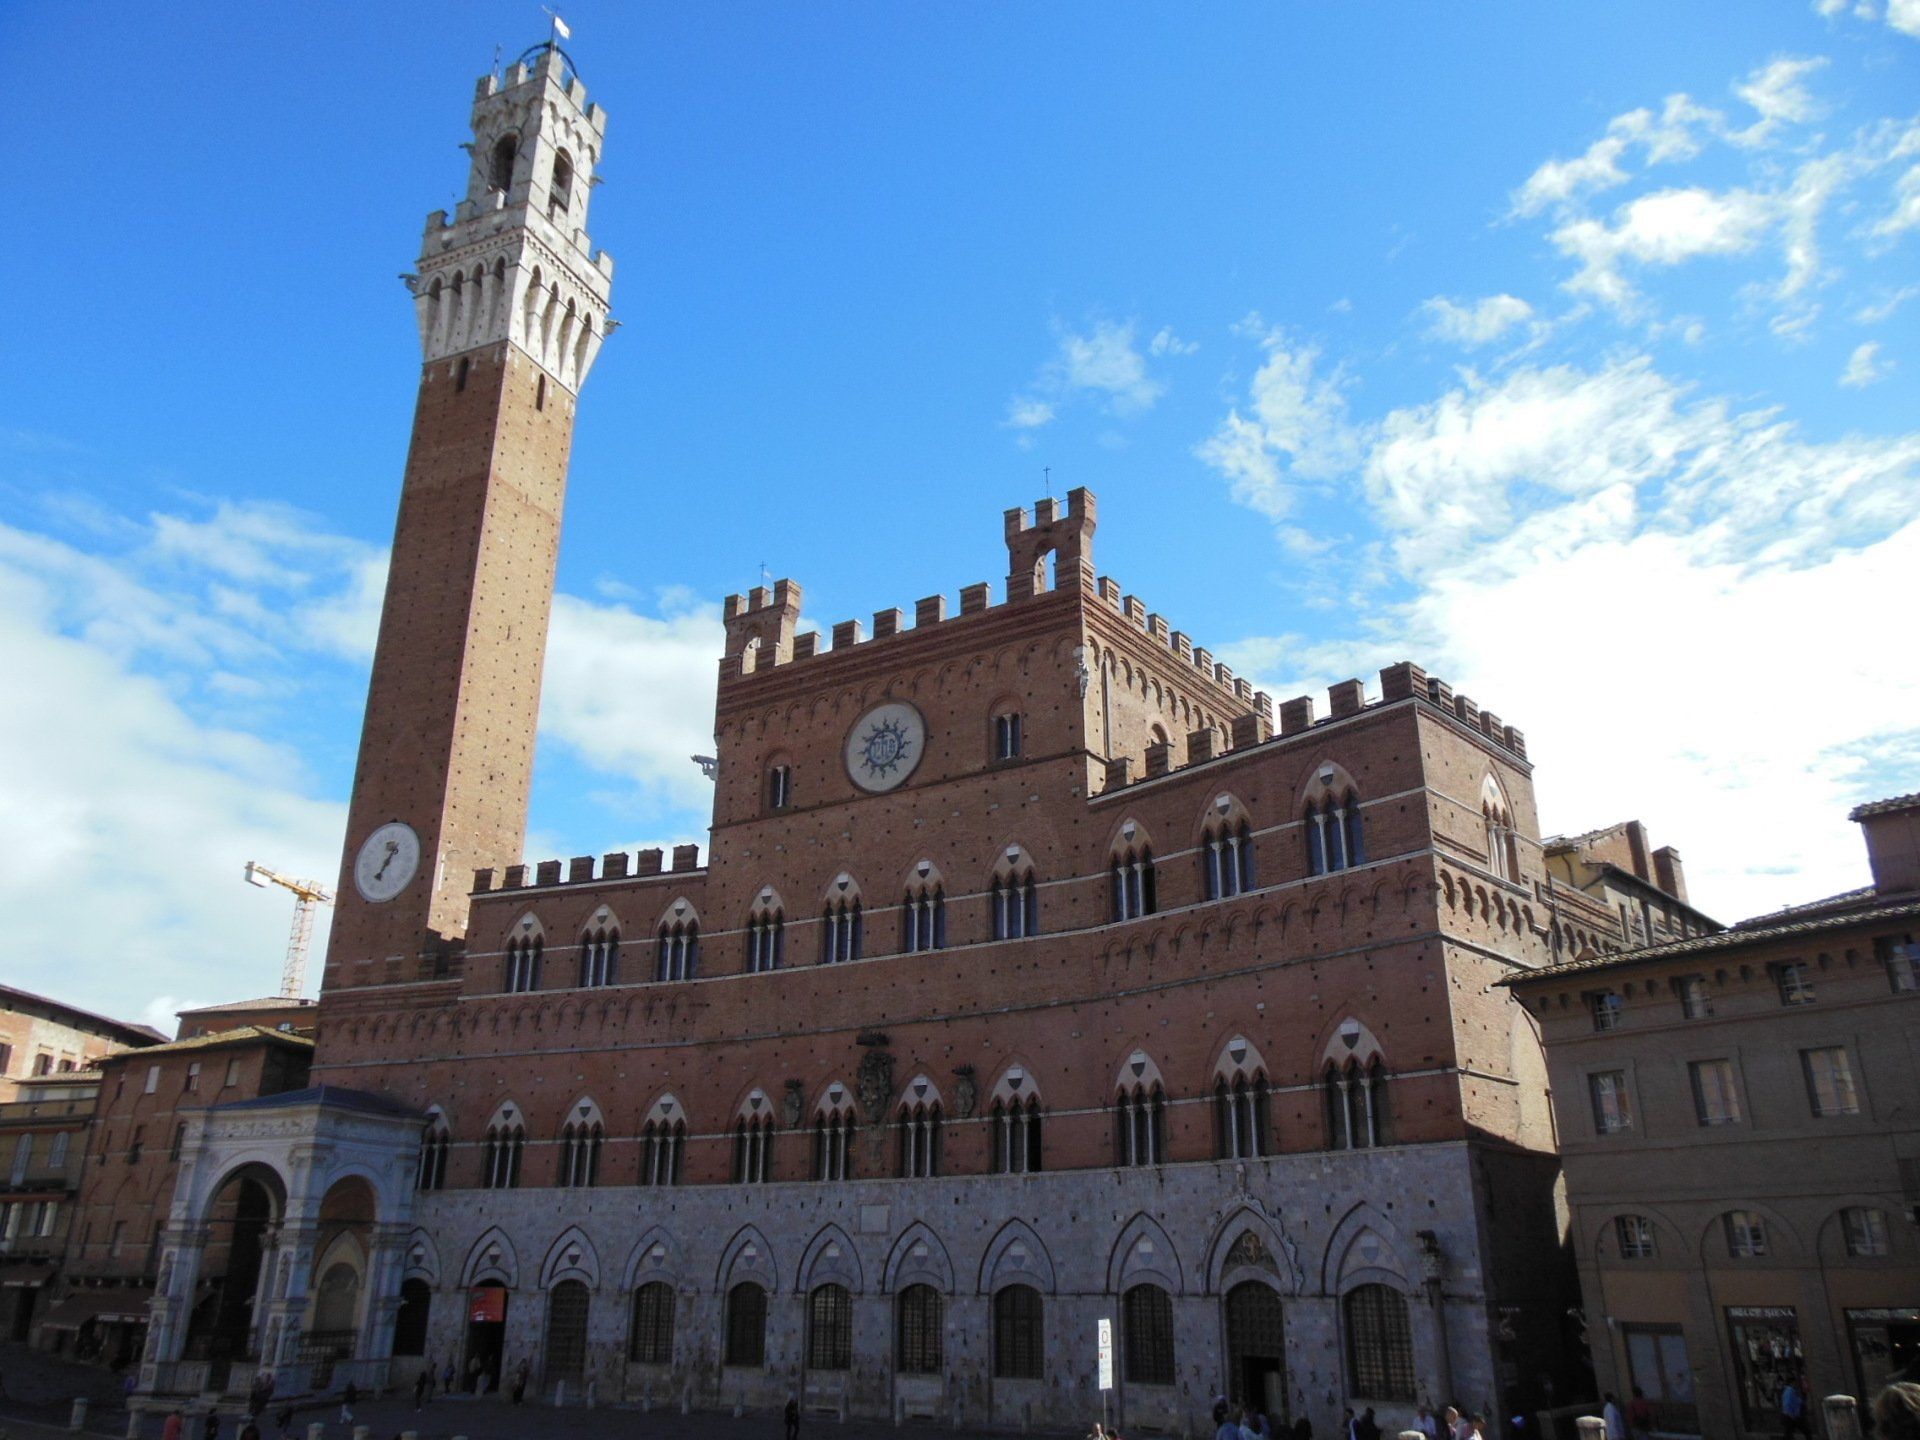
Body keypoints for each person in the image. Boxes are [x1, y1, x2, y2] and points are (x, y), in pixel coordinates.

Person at [1780, 1376, 1809, 1440]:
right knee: (1805, 1431)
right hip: (1791, 1416)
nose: (1796, 1384)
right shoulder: (1790, 1391)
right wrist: (1791, 1415)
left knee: (1789, 1433)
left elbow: (1797, 1401)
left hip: (1791, 1416)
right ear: (1792, 1383)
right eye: (1795, 1382)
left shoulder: (1790, 1391)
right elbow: (1787, 1404)